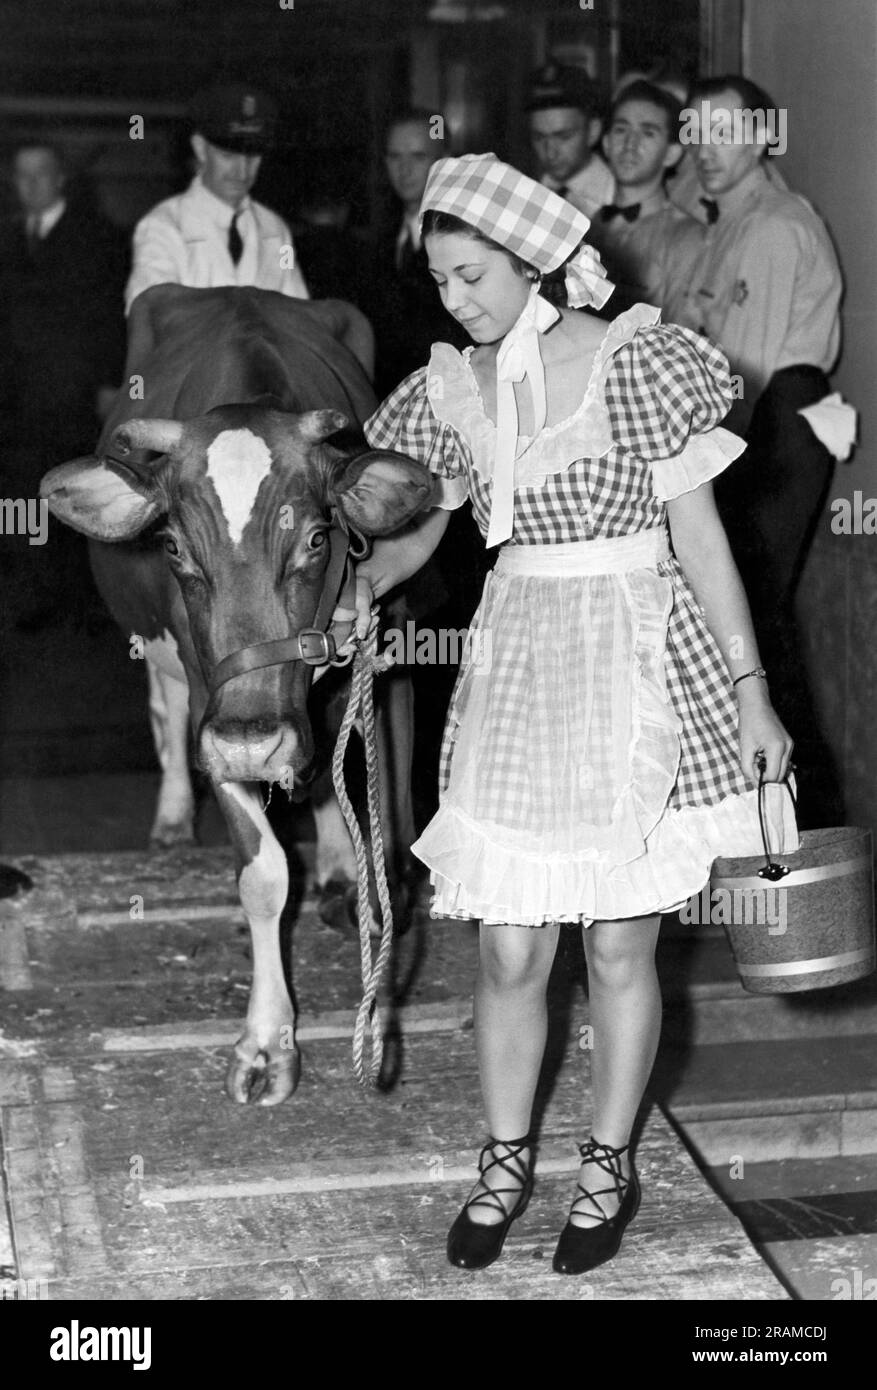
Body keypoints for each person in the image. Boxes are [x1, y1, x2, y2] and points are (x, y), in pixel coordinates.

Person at [355, 153, 796, 1276]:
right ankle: (505, 1159)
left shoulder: (634, 356)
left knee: (615, 940)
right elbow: (419, 529)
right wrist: (350, 594)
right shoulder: (459, 386)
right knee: (509, 949)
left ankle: (607, 1161)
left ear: (533, 259)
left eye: (470, 275)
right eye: (441, 280)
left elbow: (700, 541)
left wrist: (753, 695)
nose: (454, 300)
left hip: (631, 659)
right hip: (518, 662)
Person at [668, 75, 846, 821]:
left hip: (770, 426)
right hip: (749, 430)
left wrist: (690, 478)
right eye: (696, 132)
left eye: (725, 132)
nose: (706, 149)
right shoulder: (723, 225)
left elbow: (740, 374)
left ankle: (810, 832)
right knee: (751, 622)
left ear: (762, 137)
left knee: (754, 622)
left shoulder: (773, 225)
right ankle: (787, 827)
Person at [0, 141, 127, 630]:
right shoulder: (10, 239)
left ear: (60, 180)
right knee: (17, 497)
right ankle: (31, 590)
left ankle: (80, 600)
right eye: (21, 175)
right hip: (16, 399)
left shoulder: (96, 239)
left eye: (40, 174)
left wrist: (110, 383)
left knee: (72, 494)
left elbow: (111, 319)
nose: (30, 185)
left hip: (70, 394)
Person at [125, 82, 308, 326]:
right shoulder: (163, 226)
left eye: (252, 157)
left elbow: (297, 308)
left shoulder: (276, 231)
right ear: (201, 149)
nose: (242, 172)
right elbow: (150, 315)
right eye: (228, 156)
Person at [365, 109, 469, 398]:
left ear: (444, 161)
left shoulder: (464, 239)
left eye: (419, 157)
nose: (404, 169)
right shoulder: (381, 239)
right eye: (395, 157)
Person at [588, 80, 702, 315]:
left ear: (672, 153)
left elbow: (679, 334)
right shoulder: (588, 227)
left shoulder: (686, 238)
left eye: (647, 133)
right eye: (621, 130)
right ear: (606, 143)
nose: (630, 144)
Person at [527, 63, 614, 218]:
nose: (550, 152)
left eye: (563, 137)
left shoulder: (615, 199)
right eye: (539, 138)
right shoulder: (527, 194)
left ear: (593, 132)